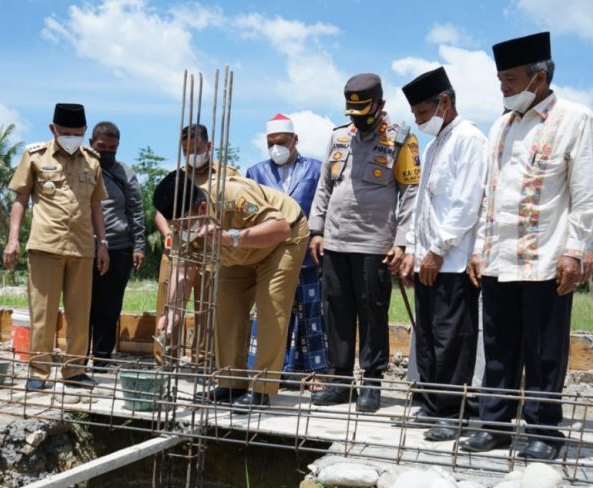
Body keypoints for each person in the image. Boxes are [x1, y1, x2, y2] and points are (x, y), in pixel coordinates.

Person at [460, 32, 593, 460]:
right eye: (500, 78)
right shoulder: (499, 127)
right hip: (500, 260)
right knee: (499, 346)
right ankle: (495, 425)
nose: (502, 87)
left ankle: (544, 430)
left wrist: (578, 249)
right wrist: (479, 250)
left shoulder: (575, 119)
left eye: (510, 78)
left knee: (544, 350)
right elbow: (490, 193)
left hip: (546, 258)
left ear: (538, 77)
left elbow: (586, 193)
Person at [153, 166, 308, 413]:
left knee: (271, 309)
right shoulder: (184, 224)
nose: (180, 232)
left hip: (281, 242)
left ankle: (262, 389)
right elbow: (183, 269)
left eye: (182, 225)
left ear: (202, 209)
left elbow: (280, 228)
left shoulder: (234, 194)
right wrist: (173, 312)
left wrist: (230, 238)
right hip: (237, 253)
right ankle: (231, 383)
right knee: (224, 310)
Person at [309, 73, 420, 413]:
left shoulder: (402, 140)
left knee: (372, 312)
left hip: (375, 243)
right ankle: (340, 381)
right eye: (352, 114)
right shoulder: (339, 137)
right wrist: (316, 229)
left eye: (364, 113)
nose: (357, 120)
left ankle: (371, 382)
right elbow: (325, 186)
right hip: (336, 240)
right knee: (337, 310)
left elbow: (411, 192)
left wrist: (402, 241)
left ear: (381, 105)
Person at [398, 67, 488, 440]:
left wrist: (436, 250)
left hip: (451, 260)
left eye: (422, 113)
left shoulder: (470, 140)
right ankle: (434, 403)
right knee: (430, 337)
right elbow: (423, 209)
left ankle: (455, 411)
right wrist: (415, 252)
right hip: (428, 260)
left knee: (453, 337)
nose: (419, 121)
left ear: (445, 102)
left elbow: (466, 204)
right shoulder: (435, 146)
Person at [3, 103, 109, 392]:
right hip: (45, 246)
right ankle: (39, 371)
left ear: (85, 131)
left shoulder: (92, 161)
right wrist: (13, 239)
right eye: (65, 133)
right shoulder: (35, 156)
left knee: (80, 313)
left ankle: (74, 370)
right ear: (53, 130)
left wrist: (103, 243)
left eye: (77, 133)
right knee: (43, 313)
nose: (71, 138)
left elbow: (96, 204)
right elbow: (20, 200)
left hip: (83, 247)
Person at [245, 114, 328, 382]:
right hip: (270, 255)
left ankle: (315, 373)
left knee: (312, 313)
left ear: (295, 140)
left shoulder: (316, 169)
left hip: (307, 255)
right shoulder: (256, 173)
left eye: (281, 142)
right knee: (271, 313)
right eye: (271, 143)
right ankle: (269, 373)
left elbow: (322, 207)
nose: (276, 148)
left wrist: (319, 234)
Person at [153, 124, 237, 365]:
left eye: (197, 148)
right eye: (186, 150)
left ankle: (203, 361)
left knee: (207, 307)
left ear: (208, 146)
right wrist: (169, 231)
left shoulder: (227, 175)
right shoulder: (177, 176)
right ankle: (165, 358)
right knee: (171, 303)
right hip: (179, 249)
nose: (192, 154)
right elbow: (160, 212)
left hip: (212, 250)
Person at [87, 121, 145, 366]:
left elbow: (136, 210)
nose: (107, 152)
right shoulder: (79, 169)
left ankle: (101, 358)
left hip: (118, 248)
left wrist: (139, 245)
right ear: (91, 144)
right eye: (102, 147)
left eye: (113, 148)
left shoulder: (125, 173)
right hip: (83, 249)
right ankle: (78, 357)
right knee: (82, 305)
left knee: (109, 307)